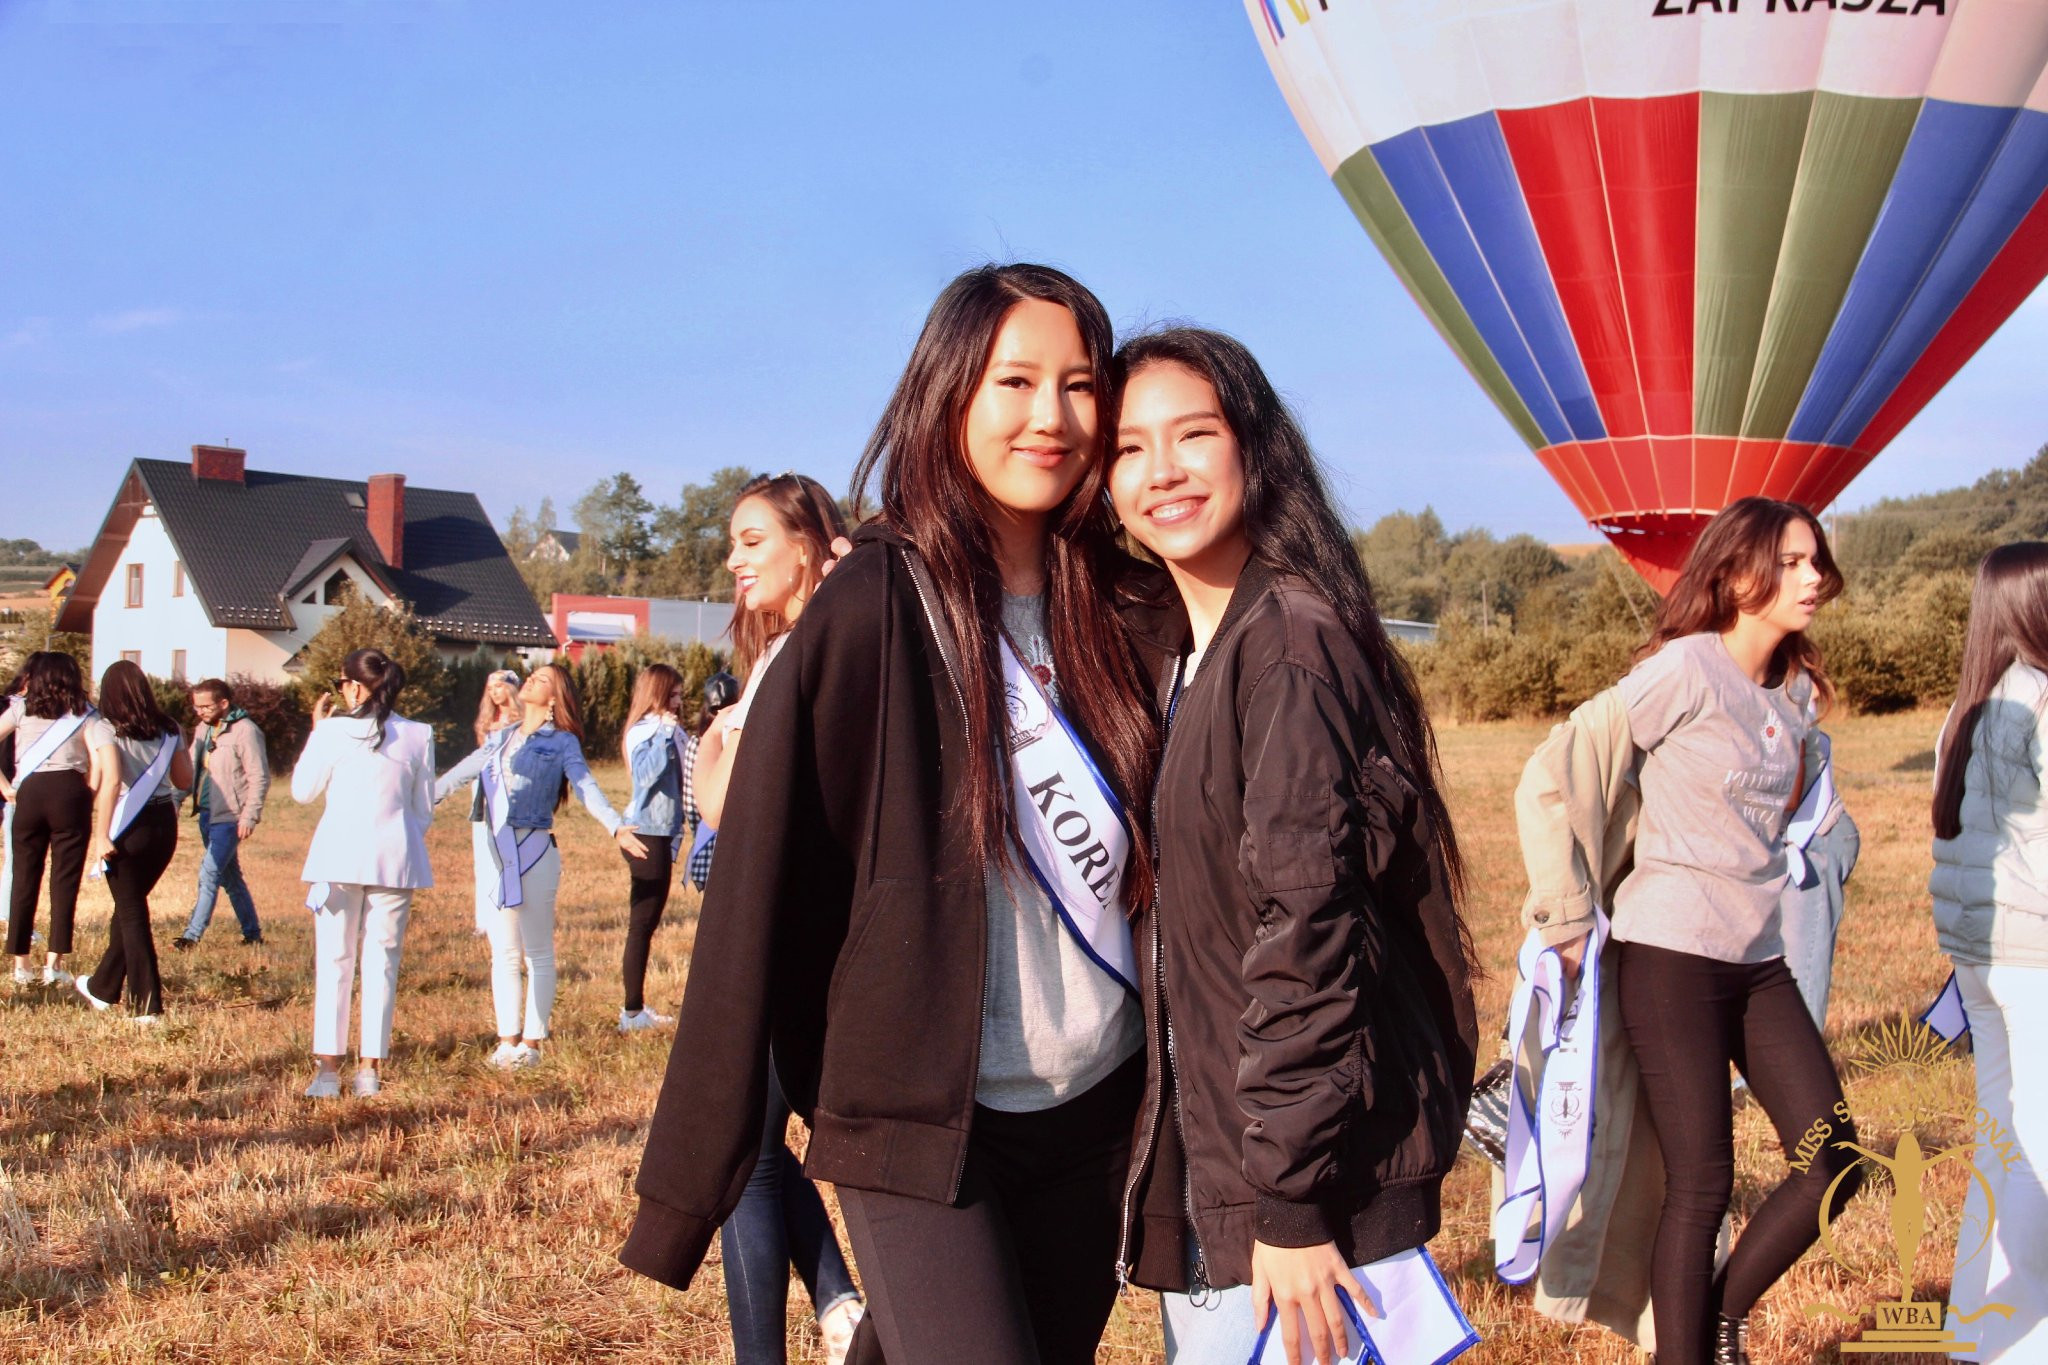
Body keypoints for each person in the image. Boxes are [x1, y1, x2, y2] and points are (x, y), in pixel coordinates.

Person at [622, 264, 1163, 1365]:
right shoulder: (869, 604)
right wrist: (695, 1172)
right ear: (948, 392)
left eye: (1078, 384)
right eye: (1014, 381)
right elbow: (762, 883)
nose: (1049, 417)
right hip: (913, 1123)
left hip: (1097, 1112)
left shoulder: (1132, 608)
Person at [1106, 329, 1479, 1365]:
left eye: (1192, 435)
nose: (1161, 472)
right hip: (1234, 1156)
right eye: (1129, 449)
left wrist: (1287, 1204)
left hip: (1285, 1184)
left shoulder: (1288, 647)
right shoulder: (1190, 651)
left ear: (1254, 448)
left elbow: (1309, 927)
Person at [1532, 497, 1864, 1365]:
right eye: (1790, 562)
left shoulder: (1791, 695)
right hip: (1670, 952)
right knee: (1702, 1185)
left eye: (1814, 560)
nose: (1811, 577)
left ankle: (1716, 1316)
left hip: (1757, 959)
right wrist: (1564, 911)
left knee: (1836, 1158)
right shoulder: (1686, 669)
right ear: (1735, 573)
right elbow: (1561, 761)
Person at [693, 475, 865, 1365]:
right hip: (764, 921)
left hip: (793, 932)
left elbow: (729, 805)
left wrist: (713, 747)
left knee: (747, 1155)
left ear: (809, 543)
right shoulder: (778, 653)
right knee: (752, 1146)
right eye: (733, 543)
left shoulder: (819, 650)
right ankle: (840, 1306)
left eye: (752, 539)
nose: (735, 559)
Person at [1929, 542, 2048, 1360]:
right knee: (2036, 1148)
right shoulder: (2040, 699)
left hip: (1978, 954)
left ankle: (1978, 1328)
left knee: (1997, 1138)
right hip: (2036, 952)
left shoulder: (1967, 707)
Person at [434, 663, 646, 1067]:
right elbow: (462, 772)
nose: (531, 679)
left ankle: (531, 1044)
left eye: (542, 679)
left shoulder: (563, 743)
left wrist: (615, 826)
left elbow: (586, 787)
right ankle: (506, 1041)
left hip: (535, 851)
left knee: (537, 953)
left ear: (554, 698)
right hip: (497, 852)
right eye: (533, 675)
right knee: (504, 953)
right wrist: (424, 795)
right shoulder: (499, 739)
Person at [292, 648, 437, 1099]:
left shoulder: (333, 732)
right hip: (395, 855)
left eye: (342, 684)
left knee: (335, 962)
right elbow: (424, 810)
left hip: (338, 856)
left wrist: (317, 732)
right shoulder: (418, 734)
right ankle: (369, 1069)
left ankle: (327, 1072)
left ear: (353, 687)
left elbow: (301, 792)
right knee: (382, 963)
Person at [75, 660, 192, 1021]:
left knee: (131, 912)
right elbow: (184, 779)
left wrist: (100, 835)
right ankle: (103, 988)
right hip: (163, 827)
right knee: (130, 907)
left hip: (128, 826)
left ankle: (147, 1006)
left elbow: (110, 782)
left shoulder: (104, 728)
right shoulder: (171, 728)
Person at [1, 651, 116, 987]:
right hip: (70, 790)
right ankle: (54, 964)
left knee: (24, 879)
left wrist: (6, 787)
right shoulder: (85, 713)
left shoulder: (21, 707)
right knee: (64, 882)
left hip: (29, 793)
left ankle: (21, 965)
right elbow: (99, 763)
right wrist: (88, 795)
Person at [617, 662, 688, 1034]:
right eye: (673, 695)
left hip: (661, 833)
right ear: (658, 694)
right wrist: (664, 734)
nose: (678, 703)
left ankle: (634, 1009)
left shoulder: (668, 730)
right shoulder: (645, 732)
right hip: (646, 833)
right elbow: (645, 778)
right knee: (641, 923)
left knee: (647, 923)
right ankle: (631, 1012)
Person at [174, 678, 269, 949]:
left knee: (209, 874)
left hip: (230, 817)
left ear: (224, 703)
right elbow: (191, 768)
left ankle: (191, 936)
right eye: (196, 707)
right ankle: (252, 935)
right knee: (231, 878)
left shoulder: (246, 731)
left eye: (205, 706)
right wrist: (177, 798)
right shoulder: (203, 729)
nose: (200, 711)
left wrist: (250, 816)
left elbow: (259, 776)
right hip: (206, 814)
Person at [468, 669, 523, 934]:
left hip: (509, 790)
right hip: (484, 790)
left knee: (505, 853)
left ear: (511, 689)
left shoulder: (521, 722)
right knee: (483, 854)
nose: (494, 692)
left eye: (499, 687)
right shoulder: (486, 722)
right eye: (490, 689)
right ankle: (484, 919)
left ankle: (508, 910)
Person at [679, 671, 739, 892]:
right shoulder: (701, 745)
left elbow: (690, 803)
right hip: (714, 844)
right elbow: (693, 804)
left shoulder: (698, 743)